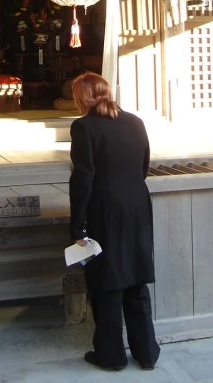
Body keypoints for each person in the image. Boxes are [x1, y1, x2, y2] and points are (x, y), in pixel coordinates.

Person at [69, 71, 160, 372]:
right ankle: (147, 353)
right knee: (135, 277)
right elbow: (145, 165)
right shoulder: (135, 121)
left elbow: (84, 178)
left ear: (81, 98)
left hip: (105, 209)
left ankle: (111, 356)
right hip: (137, 204)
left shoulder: (84, 127)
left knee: (108, 282)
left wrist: (79, 223)